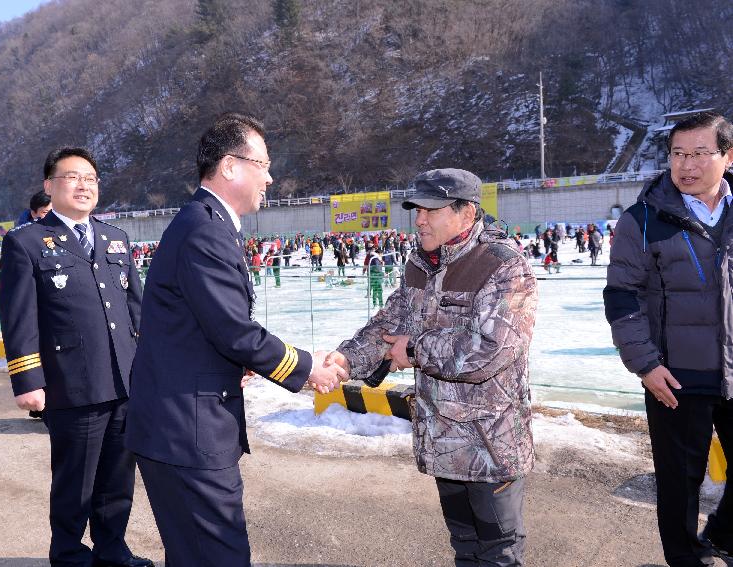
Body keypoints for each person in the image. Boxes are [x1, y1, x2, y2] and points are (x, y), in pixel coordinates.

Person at [125, 112, 346, 567]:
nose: (270, 176)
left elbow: (199, 326)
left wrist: (238, 361)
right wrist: (307, 368)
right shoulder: (206, 228)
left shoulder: (203, 222)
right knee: (219, 555)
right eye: (262, 164)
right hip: (189, 431)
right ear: (229, 166)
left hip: (178, 424)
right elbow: (232, 330)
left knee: (193, 554)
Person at [326, 168, 538, 566]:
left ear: (467, 212)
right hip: (442, 440)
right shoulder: (421, 263)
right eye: (417, 209)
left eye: (432, 210)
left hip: (490, 443)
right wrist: (344, 360)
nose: (420, 219)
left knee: (499, 552)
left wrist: (417, 350)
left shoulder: (503, 266)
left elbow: (492, 348)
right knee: (464, 547)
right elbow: (390, 325)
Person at [0, 147, 152, 567]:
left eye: (91, 179)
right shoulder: (25, 242)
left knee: (118, 480)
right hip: (72, 384)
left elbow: (138, 310)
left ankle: (112, 549)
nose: (84, 185)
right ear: (49, 185)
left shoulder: (114, 237)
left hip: (124, 380)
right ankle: (67, 554)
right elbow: (18, 318)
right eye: (72, 177)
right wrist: (28, 380)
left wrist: (152, 369)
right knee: (75, 481)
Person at [604, 111, 733, 567]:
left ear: (727, 155)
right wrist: (646, 364)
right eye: (679, 153)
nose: (687, 164)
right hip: (675, 375)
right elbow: (622, 297)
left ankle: (722, 535)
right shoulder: (642, 219)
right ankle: (686, 559)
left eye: (700, 153)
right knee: (680, 485)